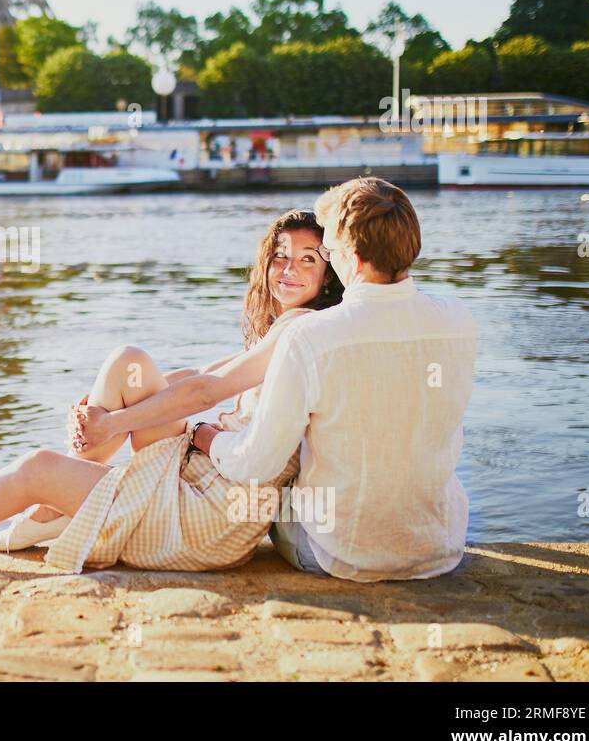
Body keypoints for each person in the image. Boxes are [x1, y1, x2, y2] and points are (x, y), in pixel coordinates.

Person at [0, 208, 344, 573]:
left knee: (37, 467)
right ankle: (61, 498)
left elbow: (203, 394)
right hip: (206, 483)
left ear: (329, 275)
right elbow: (197, 376)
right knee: (130, 365)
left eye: (307, 259)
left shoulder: (300, 330)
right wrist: (96, 419)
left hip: (209, 519)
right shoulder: (287, 329)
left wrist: (113, 424)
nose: (288, 269)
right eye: (280, 255)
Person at [188, 177, 478, 581]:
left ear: (353, 260)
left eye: (329, 252)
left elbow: (256, 464)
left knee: (255, 492)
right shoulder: (459, 321)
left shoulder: (310, 336)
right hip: (438, 546)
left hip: (338, 551)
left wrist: (205, 436)